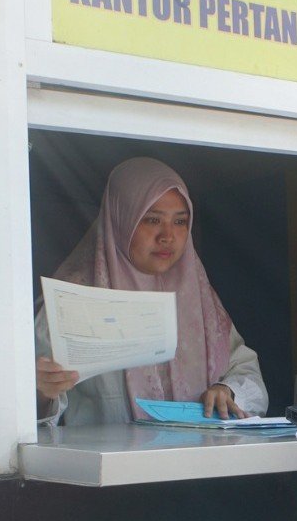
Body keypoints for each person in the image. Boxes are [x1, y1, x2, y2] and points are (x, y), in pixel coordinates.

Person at [35, 157, 268, 425]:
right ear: (120, 220)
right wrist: (42, 391)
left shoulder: (199, 299)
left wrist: (227, 391)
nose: (167, 236)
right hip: (109, 453)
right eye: (152, 219)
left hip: (201, 452)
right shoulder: (71, 302)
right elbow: (28, 414)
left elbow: (248, 375)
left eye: (180, 222)